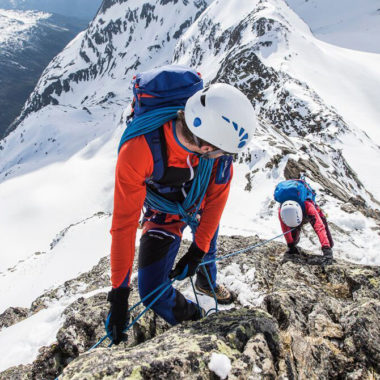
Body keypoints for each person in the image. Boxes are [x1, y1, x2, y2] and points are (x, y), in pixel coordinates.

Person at [107, 81, 256, 344]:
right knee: (152, 292)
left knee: (207, 247)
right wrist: (118, 296)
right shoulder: (139, 150)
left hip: (195, 208)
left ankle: (206, 282)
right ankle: (196, 321)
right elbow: (124, 226)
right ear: (208, 147)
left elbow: (215, 203)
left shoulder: (216, 150)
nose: (227, 157)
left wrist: (197, 250)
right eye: (224, 152)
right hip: (162, 215)